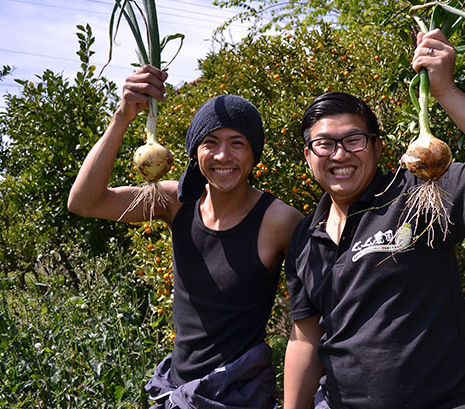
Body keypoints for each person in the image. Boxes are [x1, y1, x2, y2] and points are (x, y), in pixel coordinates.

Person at [283, 29, 465, 409]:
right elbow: (306, 339)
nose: (339, 154)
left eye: (354, 140)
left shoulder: (420, 192)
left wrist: (446, 92)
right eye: (324, 144)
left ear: (378, 147)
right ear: (309, 157)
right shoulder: (304, 238)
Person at [67, 65, 303, 409]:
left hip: (239, 393)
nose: (223, 156)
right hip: (176, 388)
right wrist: (123, 116)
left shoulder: (279, 220)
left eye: (238, 143)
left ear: (254, 154)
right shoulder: (174, 201)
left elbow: (310, 319)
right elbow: (85, 202)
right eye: (211, 143)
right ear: (195, 151)